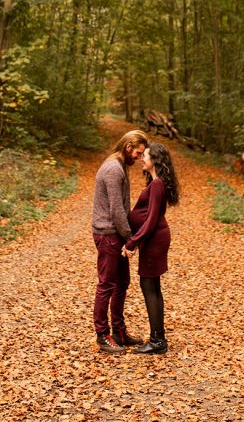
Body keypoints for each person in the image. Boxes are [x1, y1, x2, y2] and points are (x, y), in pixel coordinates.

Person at [92, 129, 148, 353]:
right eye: (138, 152)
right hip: (108, 234)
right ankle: (102, 335)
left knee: (122, 282)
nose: (139, 157)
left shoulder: (119, 165)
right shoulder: (114, 169)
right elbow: (116, 210)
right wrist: (130, 239)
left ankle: (119, 331)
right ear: (128, 147)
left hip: (116, 233)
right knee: (106, 284)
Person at [122, 140, 180, 355]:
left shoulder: (157, 185)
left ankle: (157, 340)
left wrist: (132, 242)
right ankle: (158, 338)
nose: (142, 159)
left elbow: (152, 220)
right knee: (152, 288)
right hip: (154, 239)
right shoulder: (157, 182)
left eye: (145, 155)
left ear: (154, 160)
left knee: (150, 288)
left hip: (154, 240)